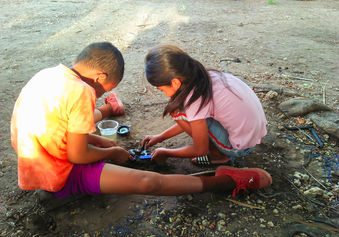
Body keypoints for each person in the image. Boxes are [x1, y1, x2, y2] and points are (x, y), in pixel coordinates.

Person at [11, 42, 272, 199]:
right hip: (65, 171)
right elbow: (77, 155)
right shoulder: (81, 91)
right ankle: (226, 182)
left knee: (176, 114)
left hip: (36, 165)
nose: (99, 95)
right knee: (149, 182)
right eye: (104, 91)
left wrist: (107, 147)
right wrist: (112, 150)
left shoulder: (49, 75)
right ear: (100, 77)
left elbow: (65, 136)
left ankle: (223, 162)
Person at [142, 45, 267, 167]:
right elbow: (192, 119)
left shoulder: (194, 100)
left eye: (160, 89)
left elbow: (200, 150)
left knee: (177, 112)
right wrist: (160, 137)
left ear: (175, 83)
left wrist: (166, 152)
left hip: (240, 147)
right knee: (187, 114)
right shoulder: (205, 76)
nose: (162, 92)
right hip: (253, 134)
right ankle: (220, 150)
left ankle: (219, 156)